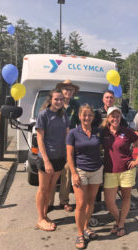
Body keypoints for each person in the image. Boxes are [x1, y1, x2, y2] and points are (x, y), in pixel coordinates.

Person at [102, 106, 138, 237]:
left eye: (117, 116)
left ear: (120, 117)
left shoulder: (127, 131)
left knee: (126, 198)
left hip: (127, 170)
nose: (115, 118)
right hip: (110, 171)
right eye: (112, 116)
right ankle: (119, 220)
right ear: (108, 118)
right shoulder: (103, 132)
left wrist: (137, 161)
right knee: (109, 202)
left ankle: (120, 224)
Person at [66, 104, 103, 249]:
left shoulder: (97, 132)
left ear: (93, 117)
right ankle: (80, 234)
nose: (87, 117)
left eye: (90, 115)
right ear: (80, 116)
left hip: (96, 170)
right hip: (80, 170)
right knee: (80, 203)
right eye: (84, 115)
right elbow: (69, 155)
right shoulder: (73, 133)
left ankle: (86, 227)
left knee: (90, 201)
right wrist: (74, 173)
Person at [35, 89, 70, 231]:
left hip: (60, 158)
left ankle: (45, 215)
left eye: (61, 99)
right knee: (43, 189)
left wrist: (69, 155)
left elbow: (68, 135)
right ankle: (40, 219)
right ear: (50, 100)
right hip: (46, 159)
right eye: (56, 99)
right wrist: (46, 161)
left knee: (50, 188)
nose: (59, 102)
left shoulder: (63, 114)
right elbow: (40, 138)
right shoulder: (43, 115)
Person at [49, 79, 80, 212]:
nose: (68, 91)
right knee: (51, 174)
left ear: (73, 92)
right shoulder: (54, 105)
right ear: (61, 90)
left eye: (71, 89)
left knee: (67, 171)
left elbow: (81, 123)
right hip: (54, 144)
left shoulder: (76, 105)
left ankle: (64, 201)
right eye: (66, 89)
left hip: (69, 145)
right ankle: (49, 202)